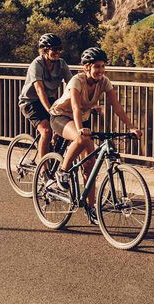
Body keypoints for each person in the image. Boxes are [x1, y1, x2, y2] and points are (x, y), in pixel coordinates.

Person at [49, 47, 141, 217]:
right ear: (87, 68)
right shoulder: (77, 81)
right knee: (80, 138)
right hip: (60, 116)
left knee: (89, 165)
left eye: (102, 66)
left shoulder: (104, 81)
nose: (100, 70)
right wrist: (80, 130)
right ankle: (62, 172)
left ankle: (91, 208)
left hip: (80, 120)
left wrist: (131, 127)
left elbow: (117, 107)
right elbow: (75, 107)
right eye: (96, 66)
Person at [18, 33, 73, 160]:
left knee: (63, 127)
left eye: (59, 49)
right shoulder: (36, 64)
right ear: (44, 50)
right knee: (46, 131)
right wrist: (50, 110)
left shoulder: (61, 64)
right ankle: (43, 170)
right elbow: (39, 89)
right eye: (54, 49)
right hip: (30, 102)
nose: (57, 52)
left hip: (50, 100)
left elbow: (72, 85)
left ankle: (53, 156)